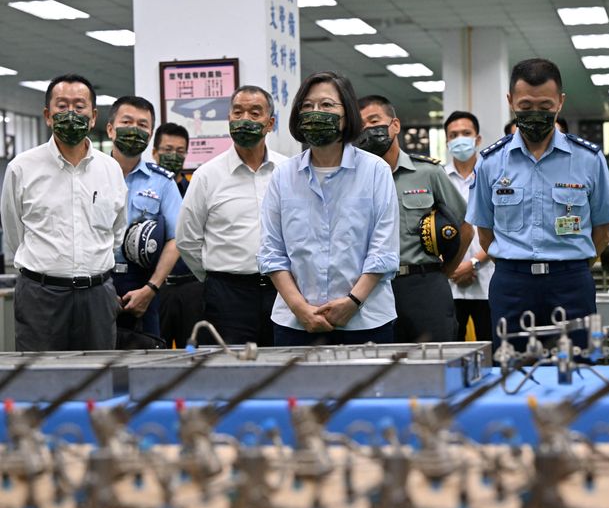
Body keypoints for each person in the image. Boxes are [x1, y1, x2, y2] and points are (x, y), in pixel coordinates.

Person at [466, 58, 609, 351]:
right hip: (513, 285)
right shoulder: (490, 162)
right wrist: (516, 265)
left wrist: (572, 265)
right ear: (510, 101)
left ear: (560, 102)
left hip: (571, 282)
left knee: (579, 367)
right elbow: (484, 232)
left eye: (545, 107)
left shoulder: (588, 159)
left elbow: (602, 231)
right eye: (525, 107)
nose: (535, 113)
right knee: (512, 370)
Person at [258, 71, 399, 345]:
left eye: (326, 105)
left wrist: (352, 302)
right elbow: (271, 252)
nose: (315, 112)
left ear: (347, 113)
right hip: (296, 324)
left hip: (366, 321)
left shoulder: (375, 171)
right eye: (307, 106)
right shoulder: (283, 175)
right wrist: (299, 308)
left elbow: (383, 250)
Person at [0, 74, 127, 351]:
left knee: (98, 383)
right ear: (48, 115)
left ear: (93, 116)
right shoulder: (22, 168)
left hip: (98, 296)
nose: (71, 113)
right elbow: (14, 233)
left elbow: (117, 232)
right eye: (62, 106)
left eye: (79, 106)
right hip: (40, 297)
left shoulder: (110, 169)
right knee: (40, 386)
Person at [177, 85, 287, 346]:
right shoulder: (207, 175)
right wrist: (216, 278)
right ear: (229, 119)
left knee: (284, 368)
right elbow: (187, 239)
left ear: (270, 123)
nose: (245, 119)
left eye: (254, 112)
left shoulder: (288, 170)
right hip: (228, 296)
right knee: (232, 372)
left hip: (283, 292)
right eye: (237, 112)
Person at [356, 95, 472, 343]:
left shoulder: (427, 172)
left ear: (395, 125)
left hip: (423, 285)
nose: (368, 129)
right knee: (380, 367)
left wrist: (445, 271)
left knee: (436, 362)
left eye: (374, 120)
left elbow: (466, 226)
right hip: (372, 289)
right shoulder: (354, 180)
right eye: (361, 125)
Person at [107, 96, 182, 341]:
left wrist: (151, 289)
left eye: (142, 125)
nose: (134, 130)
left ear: (150, 135)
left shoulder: (162, 182)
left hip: (142, 283)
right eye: (127, 121)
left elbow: (176, 239)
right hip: (95, 285)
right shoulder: (90, 173)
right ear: (110, 129)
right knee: (93, 365)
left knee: (146, 363)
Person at [442, 110, 494, 341]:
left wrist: (473, 263)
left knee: (491, 349)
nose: (460, 139)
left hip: (488, 282)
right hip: (449, 284)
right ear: (447, 141)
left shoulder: (493, 176)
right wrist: (452, 267)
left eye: (466, 133)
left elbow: (503, 230)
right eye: (453, 135)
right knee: (452, 348)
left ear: (477, 139)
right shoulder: (439, 178)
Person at [152, 122, 203, 347]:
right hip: (158, 288)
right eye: (168, 150)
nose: (174, 156)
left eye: (180, 151)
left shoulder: (195, 190)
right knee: (156, 348)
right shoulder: (148, 191)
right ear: (154, 152)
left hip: (192, 287)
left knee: (192, 351)